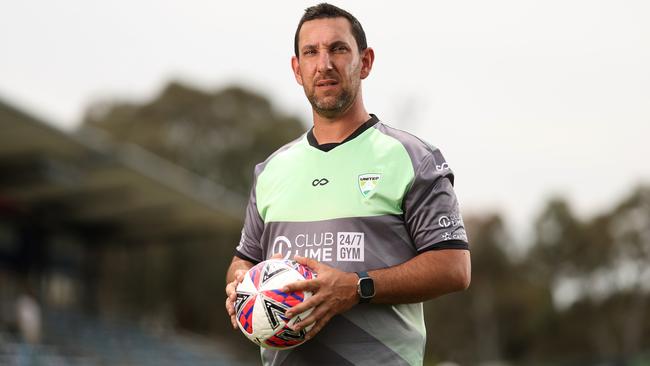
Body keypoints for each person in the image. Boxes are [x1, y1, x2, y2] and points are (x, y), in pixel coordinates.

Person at [225, 3, 471, 365]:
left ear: (365, 61)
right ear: (297, 69)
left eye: (338, 49)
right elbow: (243, 260)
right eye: (311, 52)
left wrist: (357, 287)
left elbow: (454, 267)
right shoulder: (272, 169)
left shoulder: (413, 158)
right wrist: (243, 285)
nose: (324, 64)